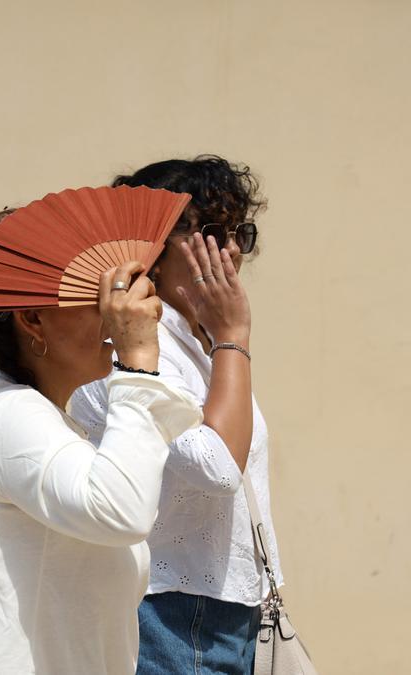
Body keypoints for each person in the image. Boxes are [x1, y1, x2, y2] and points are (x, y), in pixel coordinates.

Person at [0, 208, 203, 674]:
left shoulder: (36, 417)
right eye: (96, 296)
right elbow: (120, 511)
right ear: (32, 319)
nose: (115, 312)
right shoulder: (7, 415)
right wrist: (138, 360)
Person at [69, 155, 280, 674]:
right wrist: (234, 336)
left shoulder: (195, 340)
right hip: (169, 612)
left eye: (239, 233)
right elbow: (217, 468)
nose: (230, 250)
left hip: (230, 610)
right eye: (211, 231)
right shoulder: (126, 345)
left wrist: (222, 340)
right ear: (152, 249)